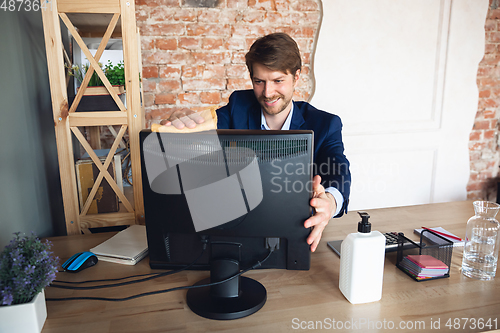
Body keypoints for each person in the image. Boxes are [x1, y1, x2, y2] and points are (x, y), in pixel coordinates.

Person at [160, 32, 351, 252]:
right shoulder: (238, 107)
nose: (268, 93)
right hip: (235, 233)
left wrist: (330, 202)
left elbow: (338, 169)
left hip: (295, 238)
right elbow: (205, 129)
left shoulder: (325, 124)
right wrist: (185, 120)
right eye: (259, 81)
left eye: (278, 81)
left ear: (296, 77)